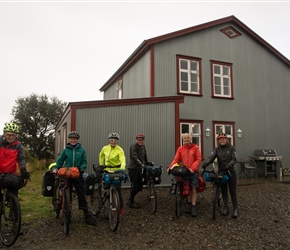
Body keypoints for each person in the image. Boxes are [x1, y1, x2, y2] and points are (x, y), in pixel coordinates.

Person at [52, 131, 97, 226]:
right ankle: (64, 210)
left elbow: (84, 162)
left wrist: (81, 168)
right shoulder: (65, 150)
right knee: (65, 192)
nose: (73, 140)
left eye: (75, 139)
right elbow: (60, 161)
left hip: (77, 174)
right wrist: (56, 168)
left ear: (77, 140)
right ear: (69, 139)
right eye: (71, 138)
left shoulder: (81, 150)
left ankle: (86, 215)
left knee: (81, 193)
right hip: (67, 174)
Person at [202, 133, 238, 219]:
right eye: (220, 139)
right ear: (218, 141)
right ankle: (226, 207)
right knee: (224, 189)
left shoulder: (232, 148)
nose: (222, 140)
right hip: (222, 171)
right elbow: (211, 157)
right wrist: (205, 164)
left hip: (230, 171)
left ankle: (235, 208)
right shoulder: (217, 149)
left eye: (224, 139)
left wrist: (228, 165)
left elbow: (234, 159)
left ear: (226, 140)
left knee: (232, 190)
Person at [167, 133, 202, 217]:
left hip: (193, 172)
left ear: (190, 139)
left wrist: (193, 168)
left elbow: (198, 159)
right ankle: (189, 205)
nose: (186, 139)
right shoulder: (180, 149)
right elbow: (176, 159)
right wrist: (170, 167)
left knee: (193, 189)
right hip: (185, 172)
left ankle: (193, 207)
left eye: (187, 138)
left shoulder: (196, 148)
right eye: (184, 138)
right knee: (187, 189)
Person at [99, 132, 126, 216]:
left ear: (117, 141)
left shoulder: (120, 150)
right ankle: (105, 201)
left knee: (118, 191)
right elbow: (101, 155)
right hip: (107, 171)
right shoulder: (105, 148)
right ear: (109, 141)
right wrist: (101, 165)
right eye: (111, 140)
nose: (113, 142)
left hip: (116, 172)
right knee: (106, 189)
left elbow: (123, 159)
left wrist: (122, 168)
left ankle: (120, 211)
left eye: (115, 140)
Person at [0, 122, 30, 195]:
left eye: (13, 135)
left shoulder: (18, 145)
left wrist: (23, 170)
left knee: (14, 193)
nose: (11, 137)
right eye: (9, 135)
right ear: (4, 134)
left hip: (11, 173)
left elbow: (21, 159)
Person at [127, 133, 148, 209]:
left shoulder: (143, 146)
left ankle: (130, 199)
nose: (140, 141)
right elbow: (135, 158)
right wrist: (142, 165)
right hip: (133, 169)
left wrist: (147, 163)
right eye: (139, 140)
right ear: (136, 140)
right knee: (135, 186)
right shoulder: (133, 147)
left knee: (139, 187)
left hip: (139, 169)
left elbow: (144, 156)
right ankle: (131, 202)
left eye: (141, 140)